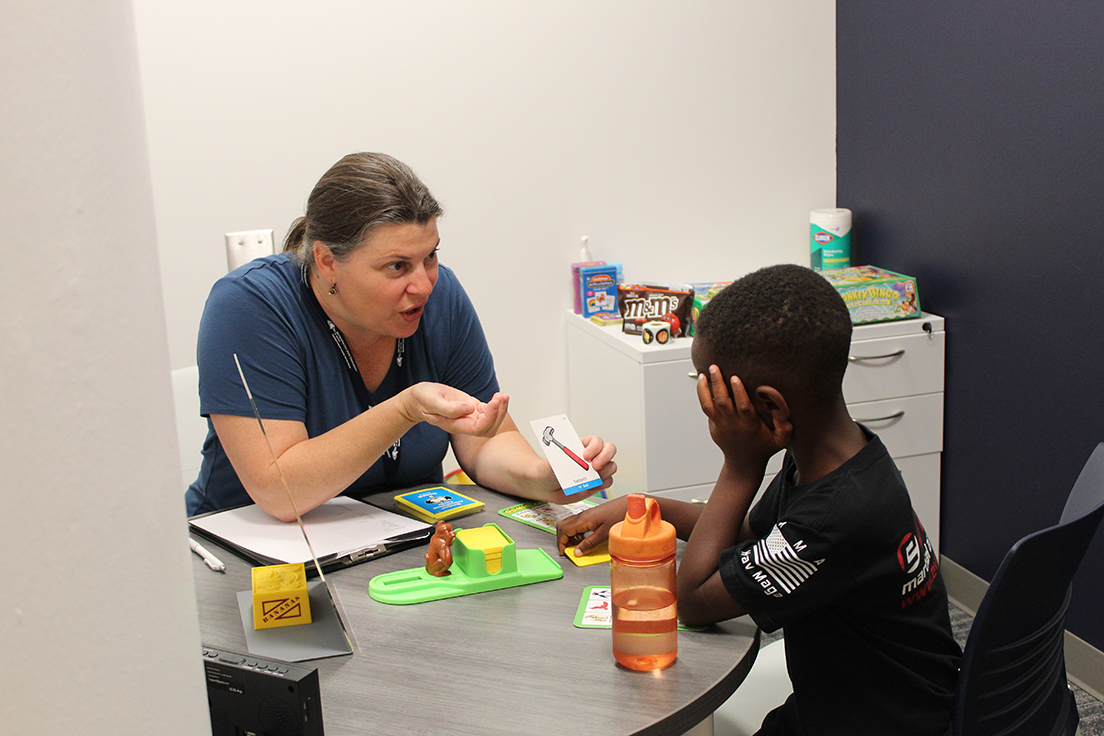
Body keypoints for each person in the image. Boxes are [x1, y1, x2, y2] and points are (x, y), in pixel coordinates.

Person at [557, 264, 960, 735]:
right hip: (872, 700)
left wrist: (740, 464)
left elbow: (691, 600)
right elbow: (751, 535)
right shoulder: (839, 458)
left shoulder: (835, 516)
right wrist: (652, 506)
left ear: (769, 408)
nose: (708, 409)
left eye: (712, 396)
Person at [185, 152, 616, 521]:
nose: (425, 284)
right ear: (327, 261)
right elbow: (281, 492)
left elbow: (486, 440)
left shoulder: (441, 296)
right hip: (250, 560)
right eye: (397, 266)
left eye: (430, 256)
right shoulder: (250, 306)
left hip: (399, 548)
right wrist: (405, 409)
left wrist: (542, 477)